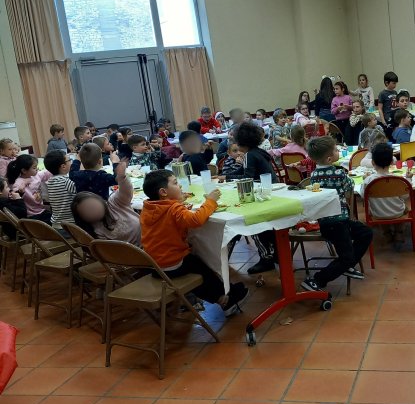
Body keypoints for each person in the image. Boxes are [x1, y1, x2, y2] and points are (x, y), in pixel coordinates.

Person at [140, 169, 248, 316]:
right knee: (204, 267)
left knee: (196, 265)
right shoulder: (173, 208)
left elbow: (167, 219)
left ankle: (222, 296)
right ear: (163, 192)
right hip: (173, 263)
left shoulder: (148, 208)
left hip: (154, 265)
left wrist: (178, 202)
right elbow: (196, 220)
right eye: (176, 183)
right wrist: (211, 201)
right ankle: (225, 298)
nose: (180, 186)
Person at [301, 135, 372, 292]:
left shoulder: (313, 176)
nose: (337, 150)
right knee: (348, 254)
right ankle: (318, 280)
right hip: (338, 223)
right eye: (335, 150)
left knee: (365, 233)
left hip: (327, 223)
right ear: (328, 159)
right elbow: (350, 187)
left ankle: (346, 266)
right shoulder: (339, 173)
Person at [235, 122, 278, 274]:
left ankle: (266, 258)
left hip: (261, 194)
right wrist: (225, 176)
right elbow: (245, 173)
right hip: (273, 191)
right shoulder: (258, 152)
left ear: (241, 142)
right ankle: (275, 253)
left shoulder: (249, 156)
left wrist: (227, 179)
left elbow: (248, 179)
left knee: (252, 224)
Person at [72, 161, 141, 245]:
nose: (93, 210)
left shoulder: (113, 203)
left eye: (93, 205)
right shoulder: (97, 231)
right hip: (132, 254)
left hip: (145, 239)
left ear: (99, 199)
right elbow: (109, 252)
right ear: (82, 219)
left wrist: (122, 178)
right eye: (86, 211)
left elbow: (126, 192)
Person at [363, 142, 409, 247]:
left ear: (373, 163)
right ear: (392, 162)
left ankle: (386, 233)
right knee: (404, 207)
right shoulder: (398, 180)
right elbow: (405, 196)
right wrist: (409, 178)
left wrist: (365, 179)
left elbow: (363, 195)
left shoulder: (369, 180)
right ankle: (399, 232)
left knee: (378, 207)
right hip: (397, 213)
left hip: (377, 214)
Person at [6, 154, 52, 223]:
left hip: (41, 209)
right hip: (30, 215)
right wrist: (21, 190)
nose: (37, 169)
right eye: (34, 168)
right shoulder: (18, 183)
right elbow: (14, 197)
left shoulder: (35, 175)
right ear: (24, 171)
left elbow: (46, 173)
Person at [43, 150, 76, 230]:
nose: (71, 162)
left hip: (56, 225)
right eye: (69, 160)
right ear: (63, 166)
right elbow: (82, 191)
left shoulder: (50, 181)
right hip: (71, 226)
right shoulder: (66, 181)